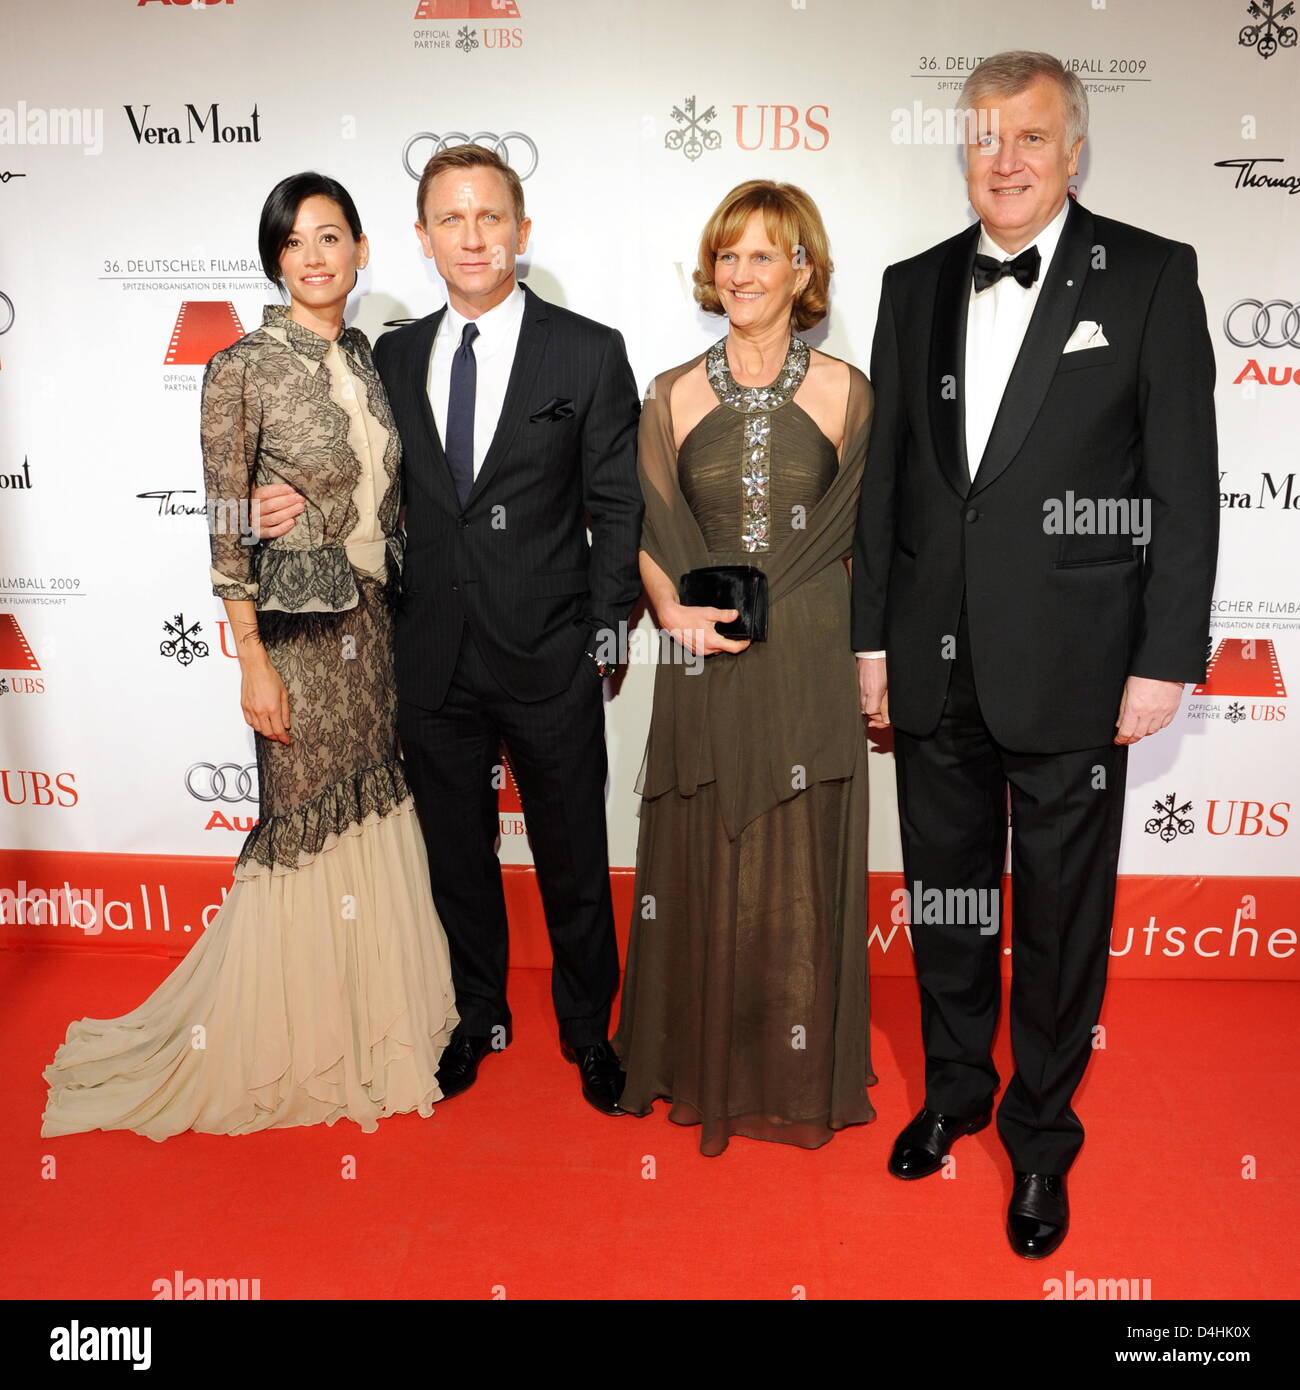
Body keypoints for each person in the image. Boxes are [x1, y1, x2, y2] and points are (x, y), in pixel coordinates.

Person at [851, 52, 1218, 1256]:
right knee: (950, 900)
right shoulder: (912, 286)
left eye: (1029, 139)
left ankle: (1041, 1137)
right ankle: (955, 1087)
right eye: (982, 138)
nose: (1002, 161)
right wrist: (871, 643)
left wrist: (1163, 657)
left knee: (1059, 916)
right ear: (960, 149)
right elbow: (889, 488)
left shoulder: (1153, 277)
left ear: (1072, 152)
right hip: (932, 660)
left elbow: (1182, 488)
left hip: (1074, 663)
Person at [41, 172, 459, 1140]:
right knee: (306, 825)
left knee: (370, 809)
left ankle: (371, 1026)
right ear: (275, 259)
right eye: (295, 241)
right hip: (300, 638)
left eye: (331, 236)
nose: (315, 256)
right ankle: (293, 1042)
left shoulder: (369, 358)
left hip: (375, 628)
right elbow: (226, 519)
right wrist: (251, 658)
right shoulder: (239, 365)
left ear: (361, 250)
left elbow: (394, 496)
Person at [254, 145, 642, 1115]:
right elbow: (357, 478)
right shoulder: (393, 354)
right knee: (456, 855)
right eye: (451, 220)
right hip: (428, 656)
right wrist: (280, 506)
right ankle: (477, 1015)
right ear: (422, 240)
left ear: (520, 229)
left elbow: (617, 505)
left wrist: (599, 631)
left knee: (573, 854)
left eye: (489, 216)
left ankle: (592, 1030)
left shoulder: (587, 350)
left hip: (548, 654)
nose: (472, 236)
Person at [612, 180, 877, 1156]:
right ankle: (694, 1055)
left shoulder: (848, 391)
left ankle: (792, 1064)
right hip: (701, 651)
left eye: (763, 255)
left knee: (796, 855)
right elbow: (645, 523)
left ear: (802, 268)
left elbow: (873, 541)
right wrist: (669, 607)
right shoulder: (669, 390)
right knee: (705, 848)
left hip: (808, 651)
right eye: (728, 255)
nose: (741, 274)